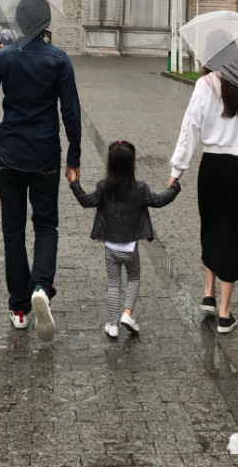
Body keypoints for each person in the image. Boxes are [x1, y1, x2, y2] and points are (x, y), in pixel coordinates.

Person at [0, 0, 81, 342]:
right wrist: (74, 158)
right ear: (47, 23)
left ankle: (19, 307)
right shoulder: (59, 60)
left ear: (20, 23)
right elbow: (71, 113)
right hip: (45, 155)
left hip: (9, 155)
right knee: (47, 225)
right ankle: (41, 286)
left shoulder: (4, 57)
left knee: (13, 231)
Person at [169, 37, 238, 333]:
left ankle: (208, 291)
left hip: (212, 166)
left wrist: (178, 168)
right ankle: (225, 311)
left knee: (212, 226)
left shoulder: (206, 85)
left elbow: (191, 126)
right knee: (237, 234)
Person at [67, 140, 180, 338]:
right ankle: (127, 313)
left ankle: (112, 324)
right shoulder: (140, 188)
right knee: (134, 278)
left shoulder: (104, 188)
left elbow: (86, 201)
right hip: (130, 248)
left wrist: (74, 182)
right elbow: (159, 200)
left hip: (110, 247)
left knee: (113, 283)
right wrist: (174, 186)